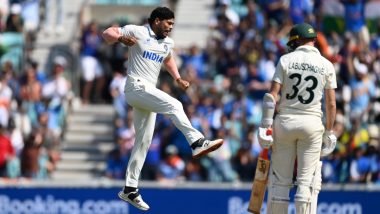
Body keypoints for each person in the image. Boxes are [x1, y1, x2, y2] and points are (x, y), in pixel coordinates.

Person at [102, 7, 223, 211]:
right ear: (157, 21)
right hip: (136, 86)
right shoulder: (138, 31)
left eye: (173, 24)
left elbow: (167, 58)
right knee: (175, 104)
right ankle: (197, 141)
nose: (170, 27)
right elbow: (107, 33)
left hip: (147, 92)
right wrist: (121, 39)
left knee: (143, 141)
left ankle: (130, 188)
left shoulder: (167, 43)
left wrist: (177, 78)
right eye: (168, 23)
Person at [256, 23, 337, 214]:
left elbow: (271, 97)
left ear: (296, 40)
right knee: (306, 183)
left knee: (280, 183)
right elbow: (331, 104)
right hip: (312, 124)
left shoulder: (285, 60)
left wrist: (265, 126)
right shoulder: (326, 64)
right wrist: (330, 132)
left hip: (285, 123)